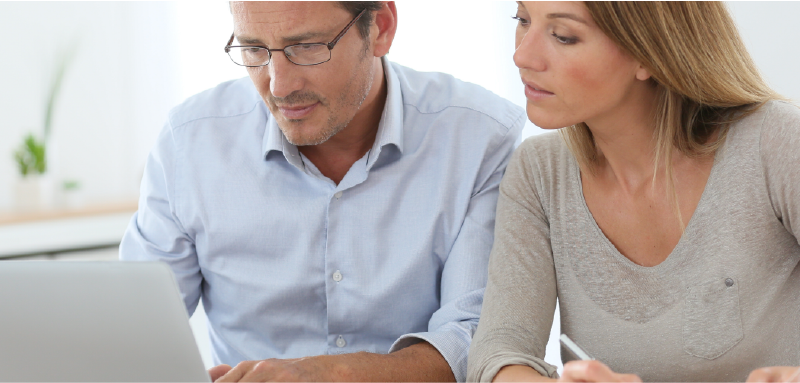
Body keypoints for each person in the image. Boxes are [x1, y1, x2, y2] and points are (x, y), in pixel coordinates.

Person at [120, 1, 525, 383]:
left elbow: (477, 339)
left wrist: (333, 375)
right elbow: (132, 332)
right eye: (255, 49)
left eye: (306, 47)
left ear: (381, 27)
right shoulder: (188, 144)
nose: (279, 86)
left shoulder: (480, 138)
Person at [467, 1, 800, 383]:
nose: (522, 55)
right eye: (523, 20)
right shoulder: (540, 172)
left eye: (564, 36)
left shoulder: (776, 144)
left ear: (649, 52)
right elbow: (499, 355)